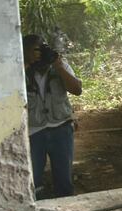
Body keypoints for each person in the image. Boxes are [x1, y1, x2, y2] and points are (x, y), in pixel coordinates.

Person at [23, 34, 83, 198]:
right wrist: (26, 65)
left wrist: (58, 66)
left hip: (61, 128)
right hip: (34, 132)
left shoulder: (58, 65)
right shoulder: (20, 70)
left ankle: (67, 210)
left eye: (42, 48)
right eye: (35, 50)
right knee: (33, 179)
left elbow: (77, 90)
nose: (40, 53)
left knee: (64, 178)